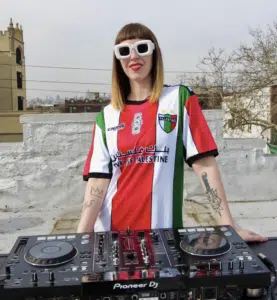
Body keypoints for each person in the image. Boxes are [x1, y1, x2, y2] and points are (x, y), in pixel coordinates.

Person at [77, 23, 267, 243]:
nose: (133, 56)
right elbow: (97, 183)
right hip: (111, 238)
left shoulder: (180, 99)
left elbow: (205, 166)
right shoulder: (107, 116)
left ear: (154, 52)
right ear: (118, 61)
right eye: (124, 51)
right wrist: (79, 239)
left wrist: (230, 228)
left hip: (164, 238)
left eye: (142, 47)